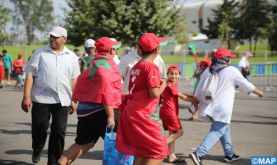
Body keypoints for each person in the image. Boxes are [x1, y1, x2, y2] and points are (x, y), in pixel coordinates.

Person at [189, 48, 264, 165]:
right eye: (229, 58)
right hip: (222, 108)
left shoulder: (208, 70)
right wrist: (259, 92)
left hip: (209, 106)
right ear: (225, 59)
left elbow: (198, 89)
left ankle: (229, 154)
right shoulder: (231, 71)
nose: (230, 60)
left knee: (224, 128)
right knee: (218, 130)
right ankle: (198, 153)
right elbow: (246, 84)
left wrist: (195, 103)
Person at [21, 26, 80, 165]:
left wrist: (74, 99)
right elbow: (30, 75)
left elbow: (74, 79)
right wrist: (26, 97)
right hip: (41, 98)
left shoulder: (71, 56)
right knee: (40, 128)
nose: (52, 39)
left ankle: (53, 162)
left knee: (59, 132)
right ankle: (37, 148)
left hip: (63, 100)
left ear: (64, 38)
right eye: (51, 36)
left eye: (56, 37)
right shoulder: (40, 53)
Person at [58, 37, 122, 165]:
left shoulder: (94, 64)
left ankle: (61, 163)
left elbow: (80, 82)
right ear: (110, 50)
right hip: (102, 110)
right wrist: (110, 116)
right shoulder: (106, 67)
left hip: (85, 110)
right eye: (115, 48)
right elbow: (106, 91)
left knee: (84, 143)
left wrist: (75, 100)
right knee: (121, 143)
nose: (116, 51)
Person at [116, 33, 168, 165]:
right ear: (157, 49)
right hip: (145, 114)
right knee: (159, 151)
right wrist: (164, 84)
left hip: (133, 112)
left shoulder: (136, 66)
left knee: (142, 152)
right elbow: (154, 93)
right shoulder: (151, 67)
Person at [159, 65, 198, 163]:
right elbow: (181, 96)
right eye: (171, 74)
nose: (174, 76)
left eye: (176, 74)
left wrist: (191, 96)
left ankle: (171, 155)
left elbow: (179, 93)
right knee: (179, 132)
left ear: (179, 75)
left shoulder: (171, 84)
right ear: (167, 75)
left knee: (172, 133)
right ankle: (158, 147)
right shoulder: (170, 84)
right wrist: (194, 100)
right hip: (169, 112)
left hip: (168, 111)